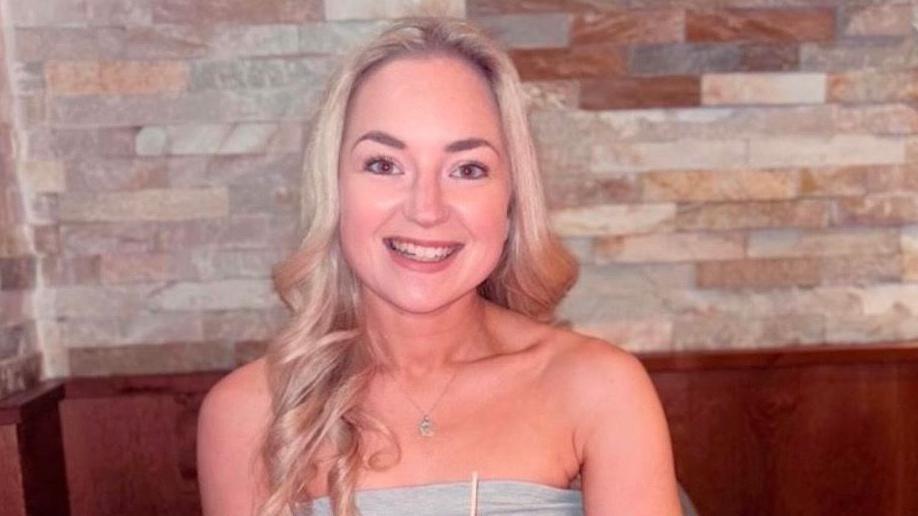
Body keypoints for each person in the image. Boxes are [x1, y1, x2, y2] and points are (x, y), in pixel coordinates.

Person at [197, 17, 682, 516]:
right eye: (384, 165)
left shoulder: (599, 387)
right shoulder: (247, 413)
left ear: (511, 199)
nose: (426, 209)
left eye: (467, 169)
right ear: (333, 188)